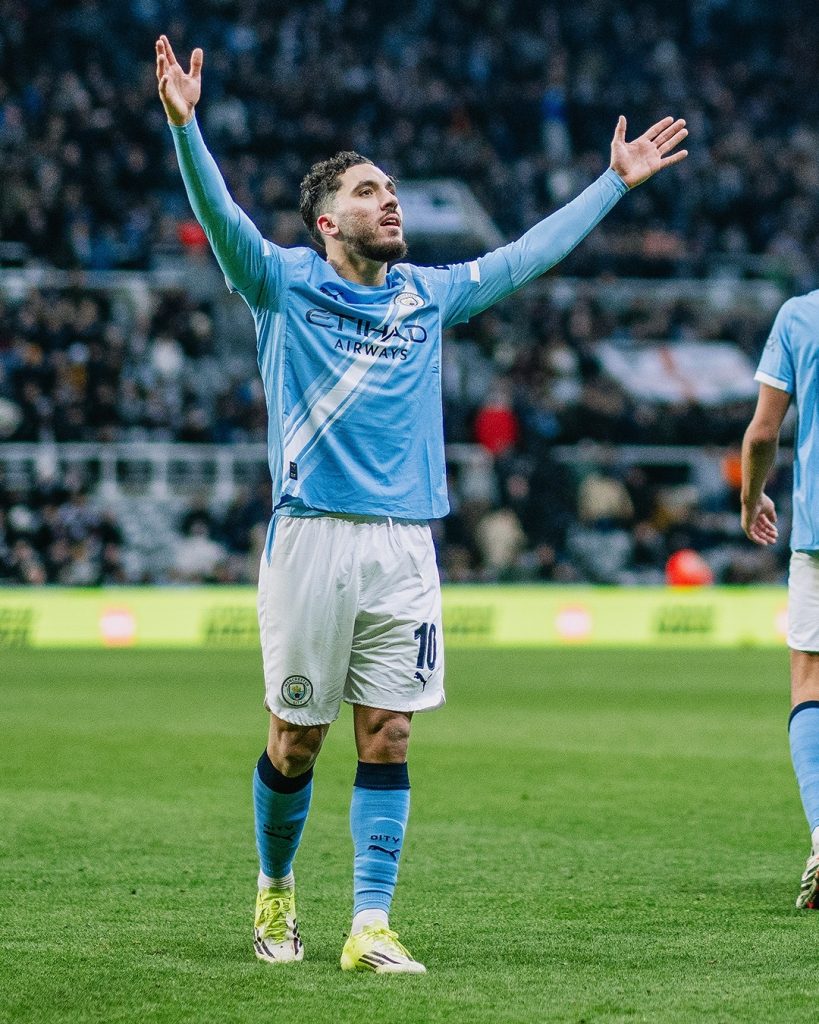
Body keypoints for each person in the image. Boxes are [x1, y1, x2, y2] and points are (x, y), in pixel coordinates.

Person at [155, 34, 688, 973]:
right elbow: (220, 212)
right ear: (324, 221)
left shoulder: (426, 296)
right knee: (296, 740)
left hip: (405, 544)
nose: (388, 197)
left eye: (390, 187)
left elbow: (525, 258)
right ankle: (276, 892)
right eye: (367, 190)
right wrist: (186, 129)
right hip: (311, 539)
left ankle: (369, 925)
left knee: (389, 732)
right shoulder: (280, 284)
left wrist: (613, 184)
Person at [741, 292, 819, 910]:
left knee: (809, 679)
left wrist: (751, 499)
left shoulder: (800, 315)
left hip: (818, 534)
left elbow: (765, 431)